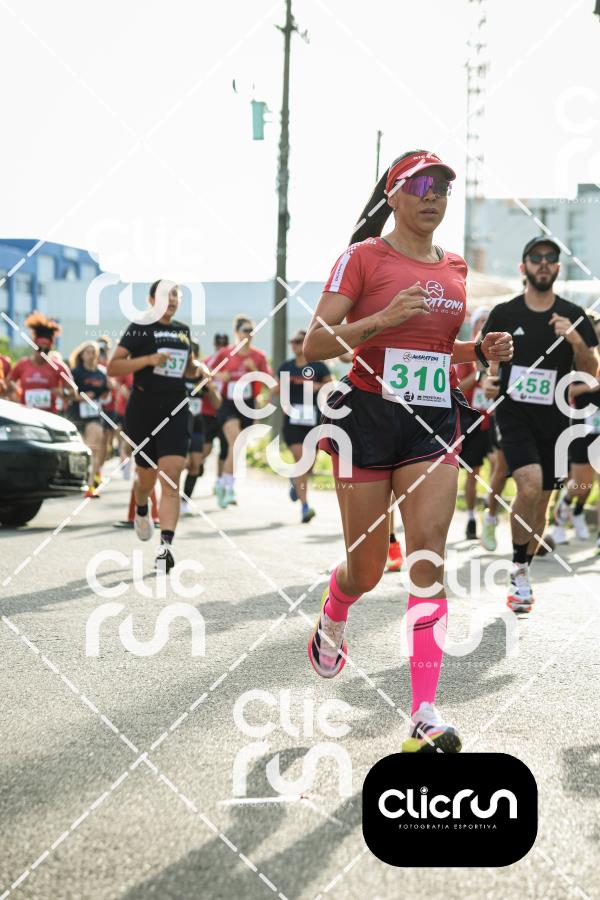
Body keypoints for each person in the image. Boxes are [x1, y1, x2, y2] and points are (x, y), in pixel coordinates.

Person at [303, 149, 513, 753]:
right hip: (366, 418)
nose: (433, 197)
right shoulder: (363, 257)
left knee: (426, 558)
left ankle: (424, 712)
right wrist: (383, 318)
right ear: (392, 195)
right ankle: (335, 608)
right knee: (367, 570)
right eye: (420, 186)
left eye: (442, 189)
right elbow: (316, 344)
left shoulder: (454, 268)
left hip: (431, 421)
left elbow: (434, 353)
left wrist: (478, 350)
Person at [481, 237, 598, 613]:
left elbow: (590, 371)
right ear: (524, 267)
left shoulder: (574, 314)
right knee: (528, 484)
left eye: (550, 258)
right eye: (536, 257)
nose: (543, 262)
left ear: (558, 268)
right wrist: (489, 378)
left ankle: (524, 569)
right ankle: (517, 570)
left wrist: (576, 340)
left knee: (543, 499)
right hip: (513, 413)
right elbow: (486, 361)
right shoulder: (504, 313)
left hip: (557, 420)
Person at [107, 279, 199, 572]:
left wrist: (198, 369)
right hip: (143, 409)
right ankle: (142, 506)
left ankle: (165, 547)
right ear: (150, 300)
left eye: (175, 295)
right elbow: (113, 366)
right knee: (145, 479)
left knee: (172, 474)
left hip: (175, 408)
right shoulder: (139, 328)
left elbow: (188, 368)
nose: (171, 300)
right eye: (164, 295)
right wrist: (148, 359)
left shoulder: (183, 331)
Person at [212, 315, 272, 508]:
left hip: (248, 404)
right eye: (245, 330)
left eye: (252, 330)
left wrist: (254, 370)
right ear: (237, 333)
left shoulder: (258, 356)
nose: (249, 334)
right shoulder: (225, 353)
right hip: (228, 403)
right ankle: (229, 488)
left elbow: (270, 382)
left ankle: (222, 483)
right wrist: (221, 375)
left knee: (237, 447)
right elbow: (208, 372)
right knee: (235, 441)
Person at [272, 330, 332, 523]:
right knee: (301, 461)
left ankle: (295, 481)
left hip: (314, 422)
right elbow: (274, 389)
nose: (295, 345)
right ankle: (305, 507)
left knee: (308, 466)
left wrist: (317, 387)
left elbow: (332, 389)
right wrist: (282, 385)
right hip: (292, 422)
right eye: (293, 342)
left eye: (298, 341)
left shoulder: (319, 367)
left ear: (307, 343)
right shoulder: (286, 367)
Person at [552, 313, 600, 548]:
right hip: (582, 423)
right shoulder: (577, 356)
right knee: (581, 482)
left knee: (593, 483)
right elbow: (568, 390)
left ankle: (593, 530)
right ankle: (563, 509)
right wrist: (593, 385)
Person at [455, 307, 493, 541]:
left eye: (488, 321)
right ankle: (470, 517)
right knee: (472, 472)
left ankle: (491, 513)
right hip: (472, 421)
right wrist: (479, 373)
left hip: (495, 420)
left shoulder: (498, 352)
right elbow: (458, 387)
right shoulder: (467, 351)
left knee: (499, 467)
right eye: (481, 321)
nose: (484, 325)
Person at [181, 340, 222, 515]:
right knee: (180, 464)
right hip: (178, 426)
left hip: (197, 425)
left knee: (195, 466)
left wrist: (210, 387)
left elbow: (217, 404)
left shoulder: (202, 378)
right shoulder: (177, 376)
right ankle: (170, 495)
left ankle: (184, 501)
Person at [68, 341, 112, 498]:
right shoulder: (75, 372)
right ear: (81, 355)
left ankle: (91, 485)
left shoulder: (101, 373)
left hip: (94, 414)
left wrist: (109, 388)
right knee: (80, 450)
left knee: (94, 448)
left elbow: (105, 396)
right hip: (76, 413)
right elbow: (67, 393)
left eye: (94, 352)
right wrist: (80, 397)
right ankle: (79, 480)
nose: (91, 355)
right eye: (87, 351)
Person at [9, 313, 71, 413]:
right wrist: (15, 391)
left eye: (46, 350)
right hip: (24, 414)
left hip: (49, 415)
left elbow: (73, 392)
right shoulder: (22, 364)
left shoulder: (58, 367)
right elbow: (9, 382)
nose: (42, 352)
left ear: (50, 349)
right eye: (39, 349)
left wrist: (63, 392)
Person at [202, 333, 229, 496]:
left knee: (225, 450)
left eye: (224, 345)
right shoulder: (206, 363)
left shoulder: (230, 363)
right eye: (218, 344)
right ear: (214, 344)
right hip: (207, 412)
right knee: (206, 448)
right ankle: (198, 462)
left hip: (225, 413)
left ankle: (219, 482)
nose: (221, 347)